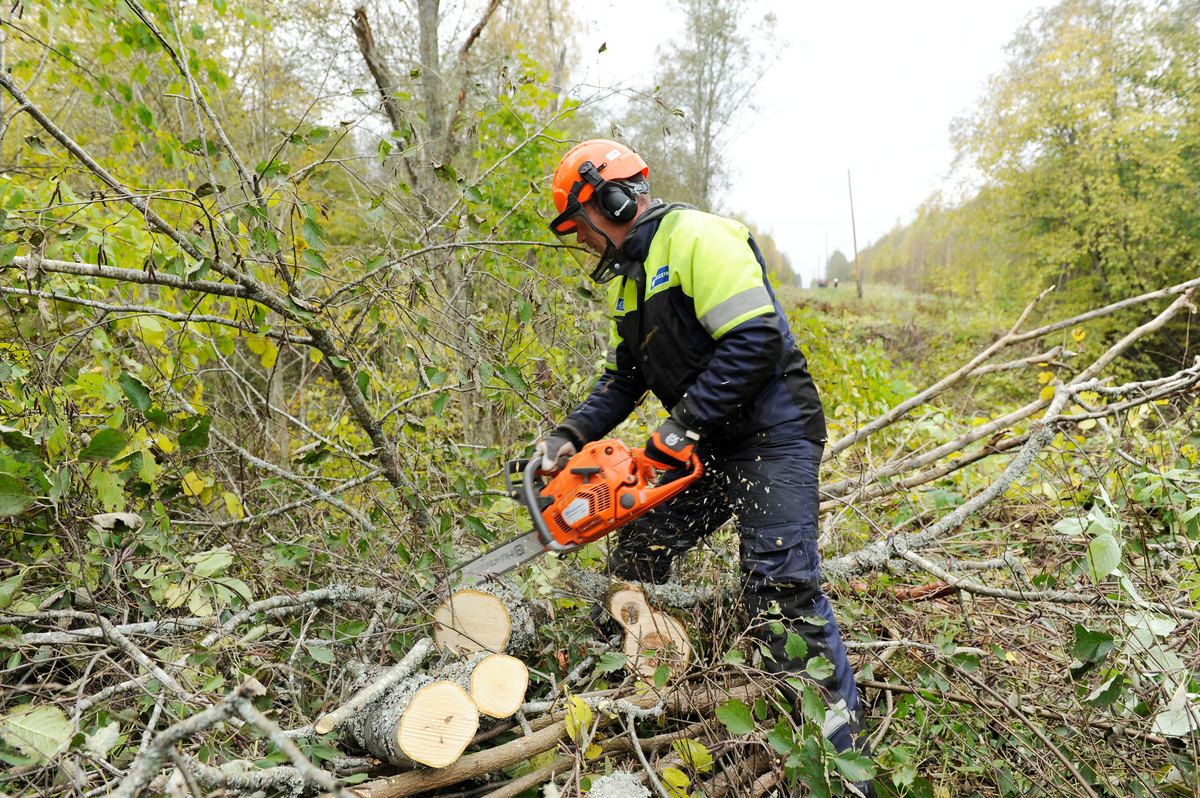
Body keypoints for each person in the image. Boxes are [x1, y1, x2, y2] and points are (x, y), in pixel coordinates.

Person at [536, 139, 873, 783]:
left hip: (774, 432)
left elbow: (755, 338)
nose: (582, 242)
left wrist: (682, 424)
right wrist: (567, 436)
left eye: (581, 228)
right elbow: (622, 379)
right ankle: (630, 688)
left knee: (779, 585)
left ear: (610, 202)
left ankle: (838, 764)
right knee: (638, 543)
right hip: (710, 442)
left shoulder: (698, 237)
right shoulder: (631, 286)